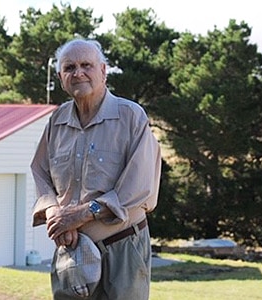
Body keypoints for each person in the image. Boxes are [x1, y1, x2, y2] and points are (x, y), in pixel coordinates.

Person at [30, 38, 162, 300]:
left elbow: (140, 185)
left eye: (86, 65)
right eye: (69, 68)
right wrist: (55, 212)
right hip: (72, 249)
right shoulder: (57, 121)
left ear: (103, 70)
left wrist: (85, 213)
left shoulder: (130, 116)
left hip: (123, 249)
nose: (78, 73)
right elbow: (40, 172)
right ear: (60, 76)